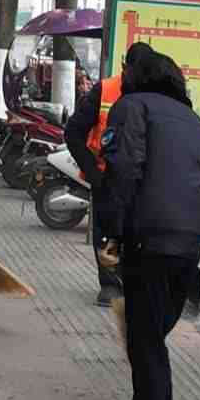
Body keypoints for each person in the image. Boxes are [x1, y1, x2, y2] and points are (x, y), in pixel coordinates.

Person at [100, 51, 200, 400]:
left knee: (146, 341)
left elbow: (124, 170)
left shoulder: (131, 107)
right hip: (188, 247)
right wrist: (190, 223)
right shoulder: (196, 123)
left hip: (147, 240)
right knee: (153, 331)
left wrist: (113, 231)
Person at [64, 41, 153, 307]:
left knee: (138, 234)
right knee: (107, 233)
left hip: (142, 181)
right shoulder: (104, 90)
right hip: (107, 178)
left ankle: (133, 283)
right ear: (124, 67)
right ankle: (110, 284)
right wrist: (93, 174)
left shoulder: (155, 95)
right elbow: (74, 132)